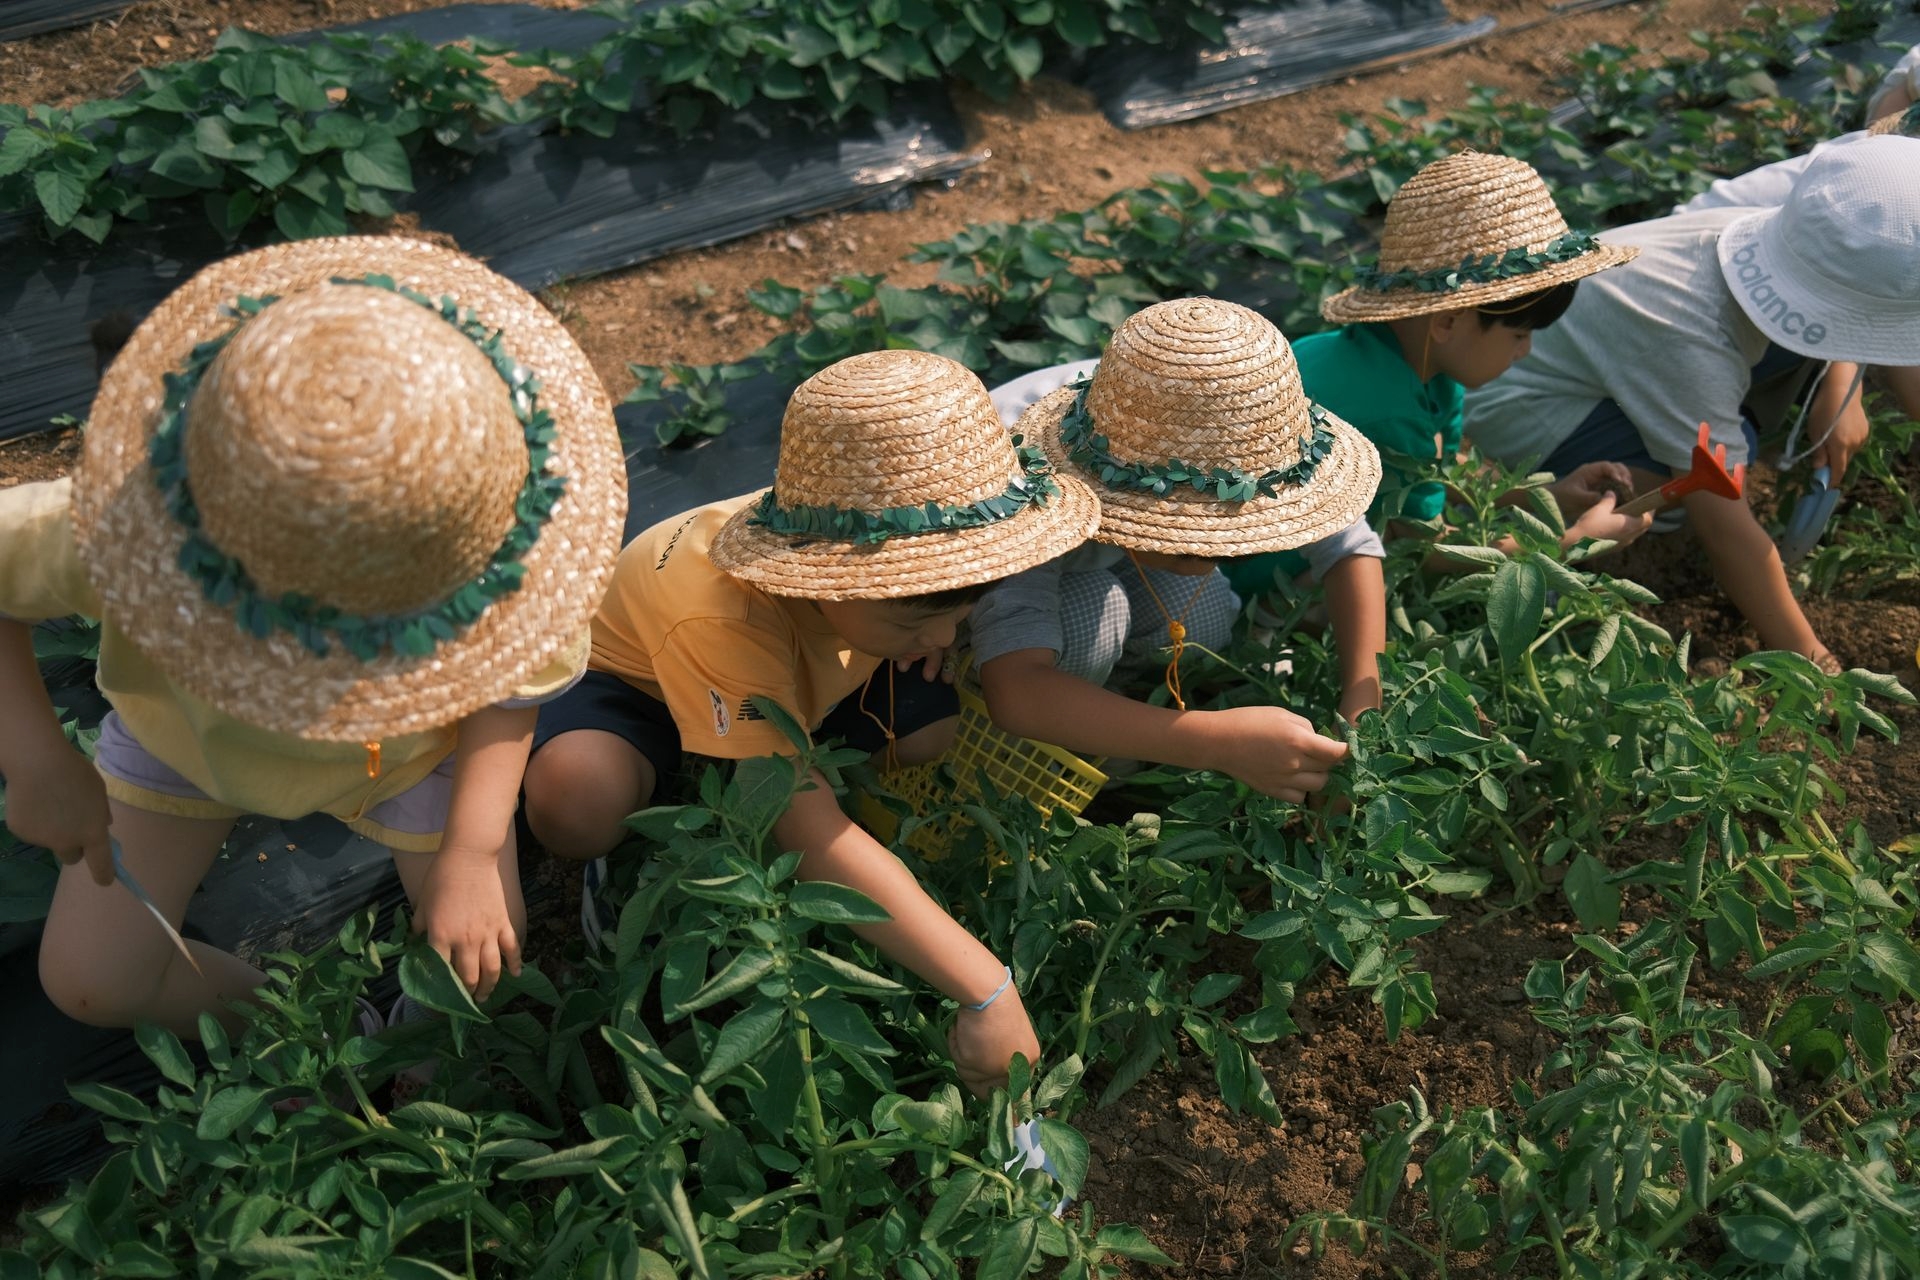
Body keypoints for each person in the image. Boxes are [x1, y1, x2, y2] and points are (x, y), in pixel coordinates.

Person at [0, 238, 628, 1039]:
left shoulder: (505, 549)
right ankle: (302, 1029)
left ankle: (422, 1039)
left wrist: (472, 851)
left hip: (410, 752)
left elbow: (510, 691)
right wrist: (33, 758)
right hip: (188, 741)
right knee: (92, 983)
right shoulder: (118, 525)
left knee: (482, 961)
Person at [521, 349, 1100, 1096]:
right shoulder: (716, 612)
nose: (945, 637)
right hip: (642, 690)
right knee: (578, 799)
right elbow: (805, 830)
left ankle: (766, 764)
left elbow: (910, 624)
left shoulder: (869, 520)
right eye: (922, 609)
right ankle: (673, 803)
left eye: (957, 608)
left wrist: (920, 631)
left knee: (927, 733)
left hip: (803, 665)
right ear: (828, 573)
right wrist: (985, 987)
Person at [1464, 136, 1920, 669]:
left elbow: (1873, 315)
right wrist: (1811, 659)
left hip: (1614, 359)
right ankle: (1535, 570)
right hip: (1510, 393)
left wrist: (1842, 384)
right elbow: (1727, 527)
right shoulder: (1689, 338)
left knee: (1731, 442)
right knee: (1676, 483)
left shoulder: (1825, 211)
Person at [972, 296, 1382, 793]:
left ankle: (1111, 720)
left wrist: (1362, 712)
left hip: (1102, 551)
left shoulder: (1241, 427)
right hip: (978, 589)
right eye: (1186, 540)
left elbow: (1350, 547)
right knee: (1091, 624)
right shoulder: (1026, 478)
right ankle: (1012, 770)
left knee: (1204, 620)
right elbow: (1018, 690)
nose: (1209, 555)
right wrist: (1213, 742)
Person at [1245, 151, 1651, 575]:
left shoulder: (1400, 359)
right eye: (1518, 334)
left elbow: (1441, 468)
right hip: (1270, 582)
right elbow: (1427, 553)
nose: (1525, 350)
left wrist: (1544, 497)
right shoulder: (1389, 408)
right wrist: (1571, 541)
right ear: (1449, 321)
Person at [1673, 103, 1920, 451]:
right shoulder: (1853, 198)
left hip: (1776, 281)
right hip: (1708, 285)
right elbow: (1839, 295)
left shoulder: (1893, 188)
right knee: (1721, 442)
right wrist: (1839, 386)